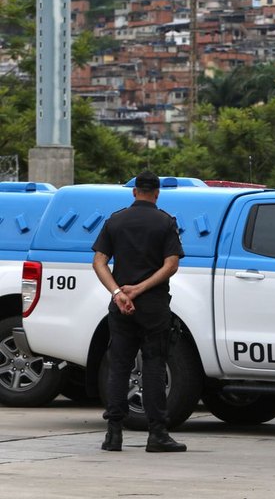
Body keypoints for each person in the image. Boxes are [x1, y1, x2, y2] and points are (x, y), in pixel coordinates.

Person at [92, 170, 187, 453]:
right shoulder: (165, 222)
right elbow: (171, 265)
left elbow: (99, 261)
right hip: (154, 306)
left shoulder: (116, 220)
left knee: (119, 366)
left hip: (121, 307)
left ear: (134, 192)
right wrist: (139, 289)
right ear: (157, 193)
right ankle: (157, 434)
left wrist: (119, 292)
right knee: (155, 366)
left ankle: (113, 434)